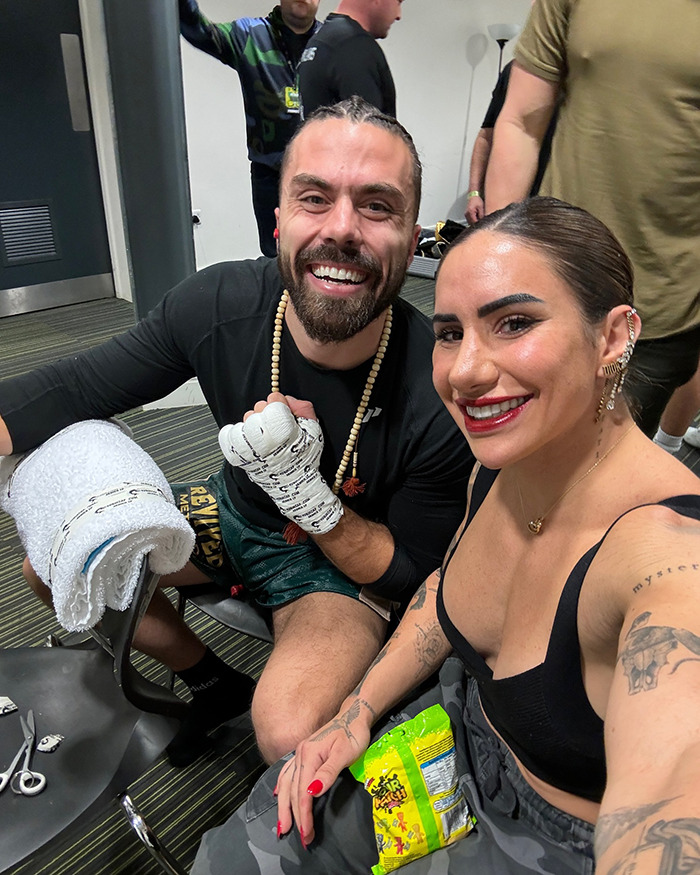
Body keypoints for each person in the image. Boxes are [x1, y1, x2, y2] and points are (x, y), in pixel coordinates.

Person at [189, 198, 700, 875]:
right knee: (236, 854)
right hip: (451, 728)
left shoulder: (667, 565)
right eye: (451, 332)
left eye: (514, 322)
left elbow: (667, 814)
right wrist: (356, 709)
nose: (463, 372)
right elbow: (444, 590)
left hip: (553, 839)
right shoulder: (504, 460)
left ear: (612, 337)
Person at [0, 98, 471, 769]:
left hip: (335, 563)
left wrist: (309, 497)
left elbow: (407, 573)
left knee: (283, 730)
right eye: (314, 198)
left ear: (412, 233)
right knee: (56, 559)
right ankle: (210, 680)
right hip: (233, 512)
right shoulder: (218, 305)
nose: (342, 228)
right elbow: (81, 385)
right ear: (277, 220)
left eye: (376, 205)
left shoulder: (438, 387)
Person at [484, 0, 700, 437]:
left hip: (663, 307)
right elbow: (522, 122)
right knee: (502, 462)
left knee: (603, 479)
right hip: (548, 282)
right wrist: (494, 267)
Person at [179, 0, 321, 257]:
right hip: (270, 173)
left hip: (324, 178)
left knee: (320, 253)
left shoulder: (332, 45)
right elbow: (197, 30)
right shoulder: (250, 36)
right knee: (274, 255)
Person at [464, 59, 557, 226]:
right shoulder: (516, 71)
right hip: (510, 208)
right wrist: (474, 193)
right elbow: (486, 136)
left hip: (557, 206)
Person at [297, 0, 403, 119]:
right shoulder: (354, 46)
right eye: (398, 2)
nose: (399, 15)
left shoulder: (321, 41)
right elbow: (366, 131)